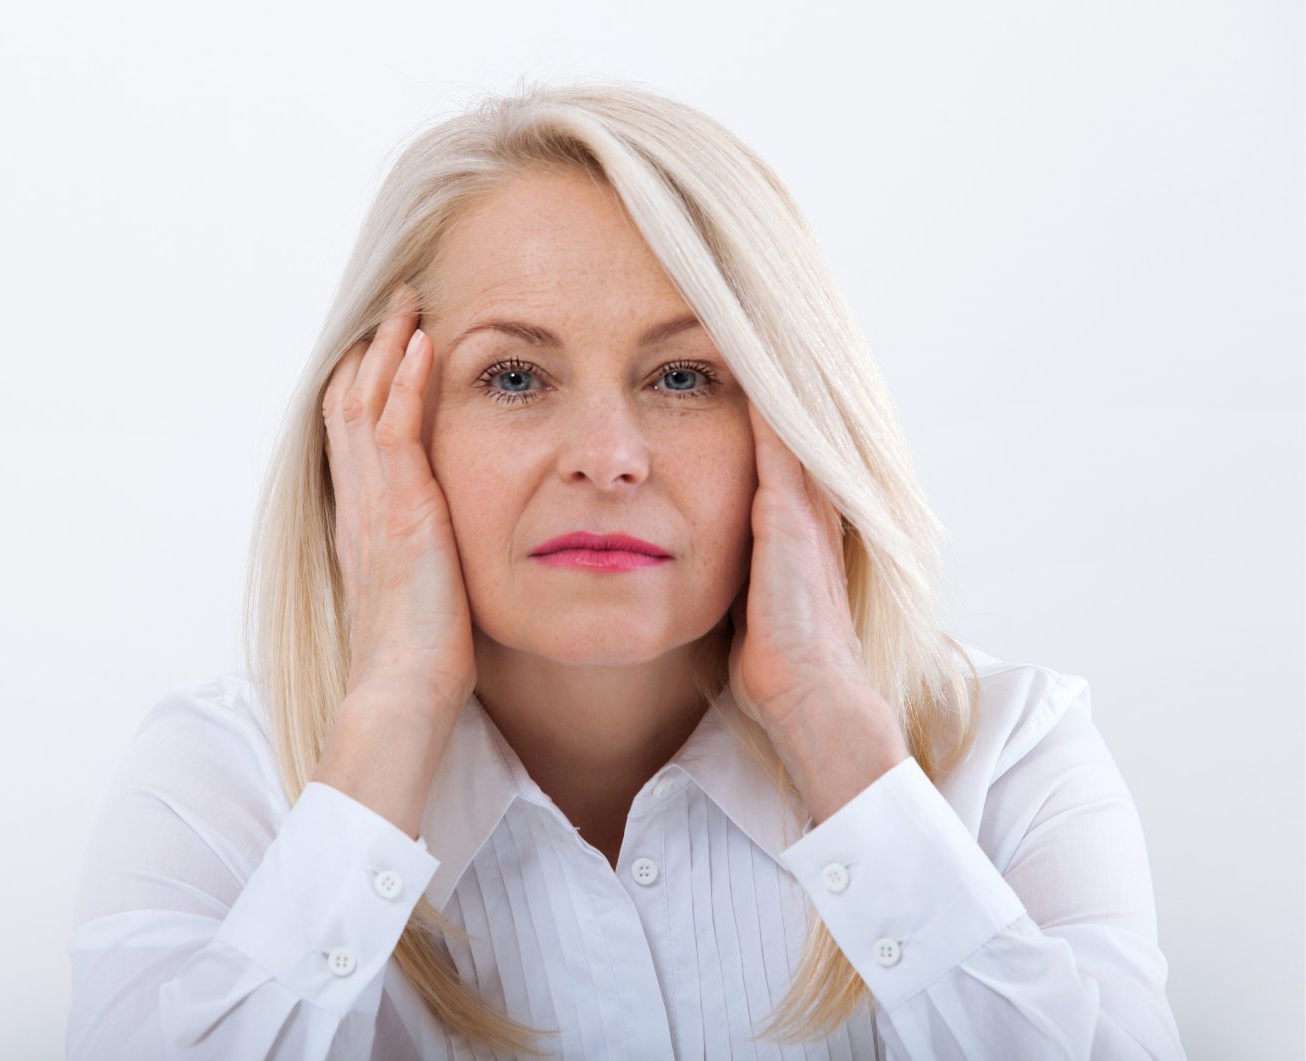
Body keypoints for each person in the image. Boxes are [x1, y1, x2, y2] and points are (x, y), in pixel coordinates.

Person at [65, 80, 1187, 1059]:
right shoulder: (223, 782)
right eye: (512, 377)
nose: (608, 456)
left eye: (686, 377)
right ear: (382, 423)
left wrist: (834, 720)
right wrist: (395, 699)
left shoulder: (1010, 755)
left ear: (797, 419)